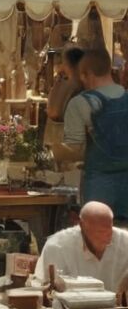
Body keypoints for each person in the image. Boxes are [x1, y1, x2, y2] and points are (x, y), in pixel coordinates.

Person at [57, 48, 128, 217]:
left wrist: (52, 151)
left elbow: (74, 149)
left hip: (99, 186)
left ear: (85, 74)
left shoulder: (80, 104)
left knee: (97, 231)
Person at [34, 201, 128, 291]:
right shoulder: (57, 247)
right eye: (100, 232)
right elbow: (42, 288)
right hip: (71, 302)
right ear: (82, 225)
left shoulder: (124, 241)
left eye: (109, 230)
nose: (107, 237)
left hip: (118, 301)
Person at [46, 44, 85, 124]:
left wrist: (58, 82)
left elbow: (53, 113)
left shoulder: (71, 85)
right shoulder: (86, 83)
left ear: (67, 64)